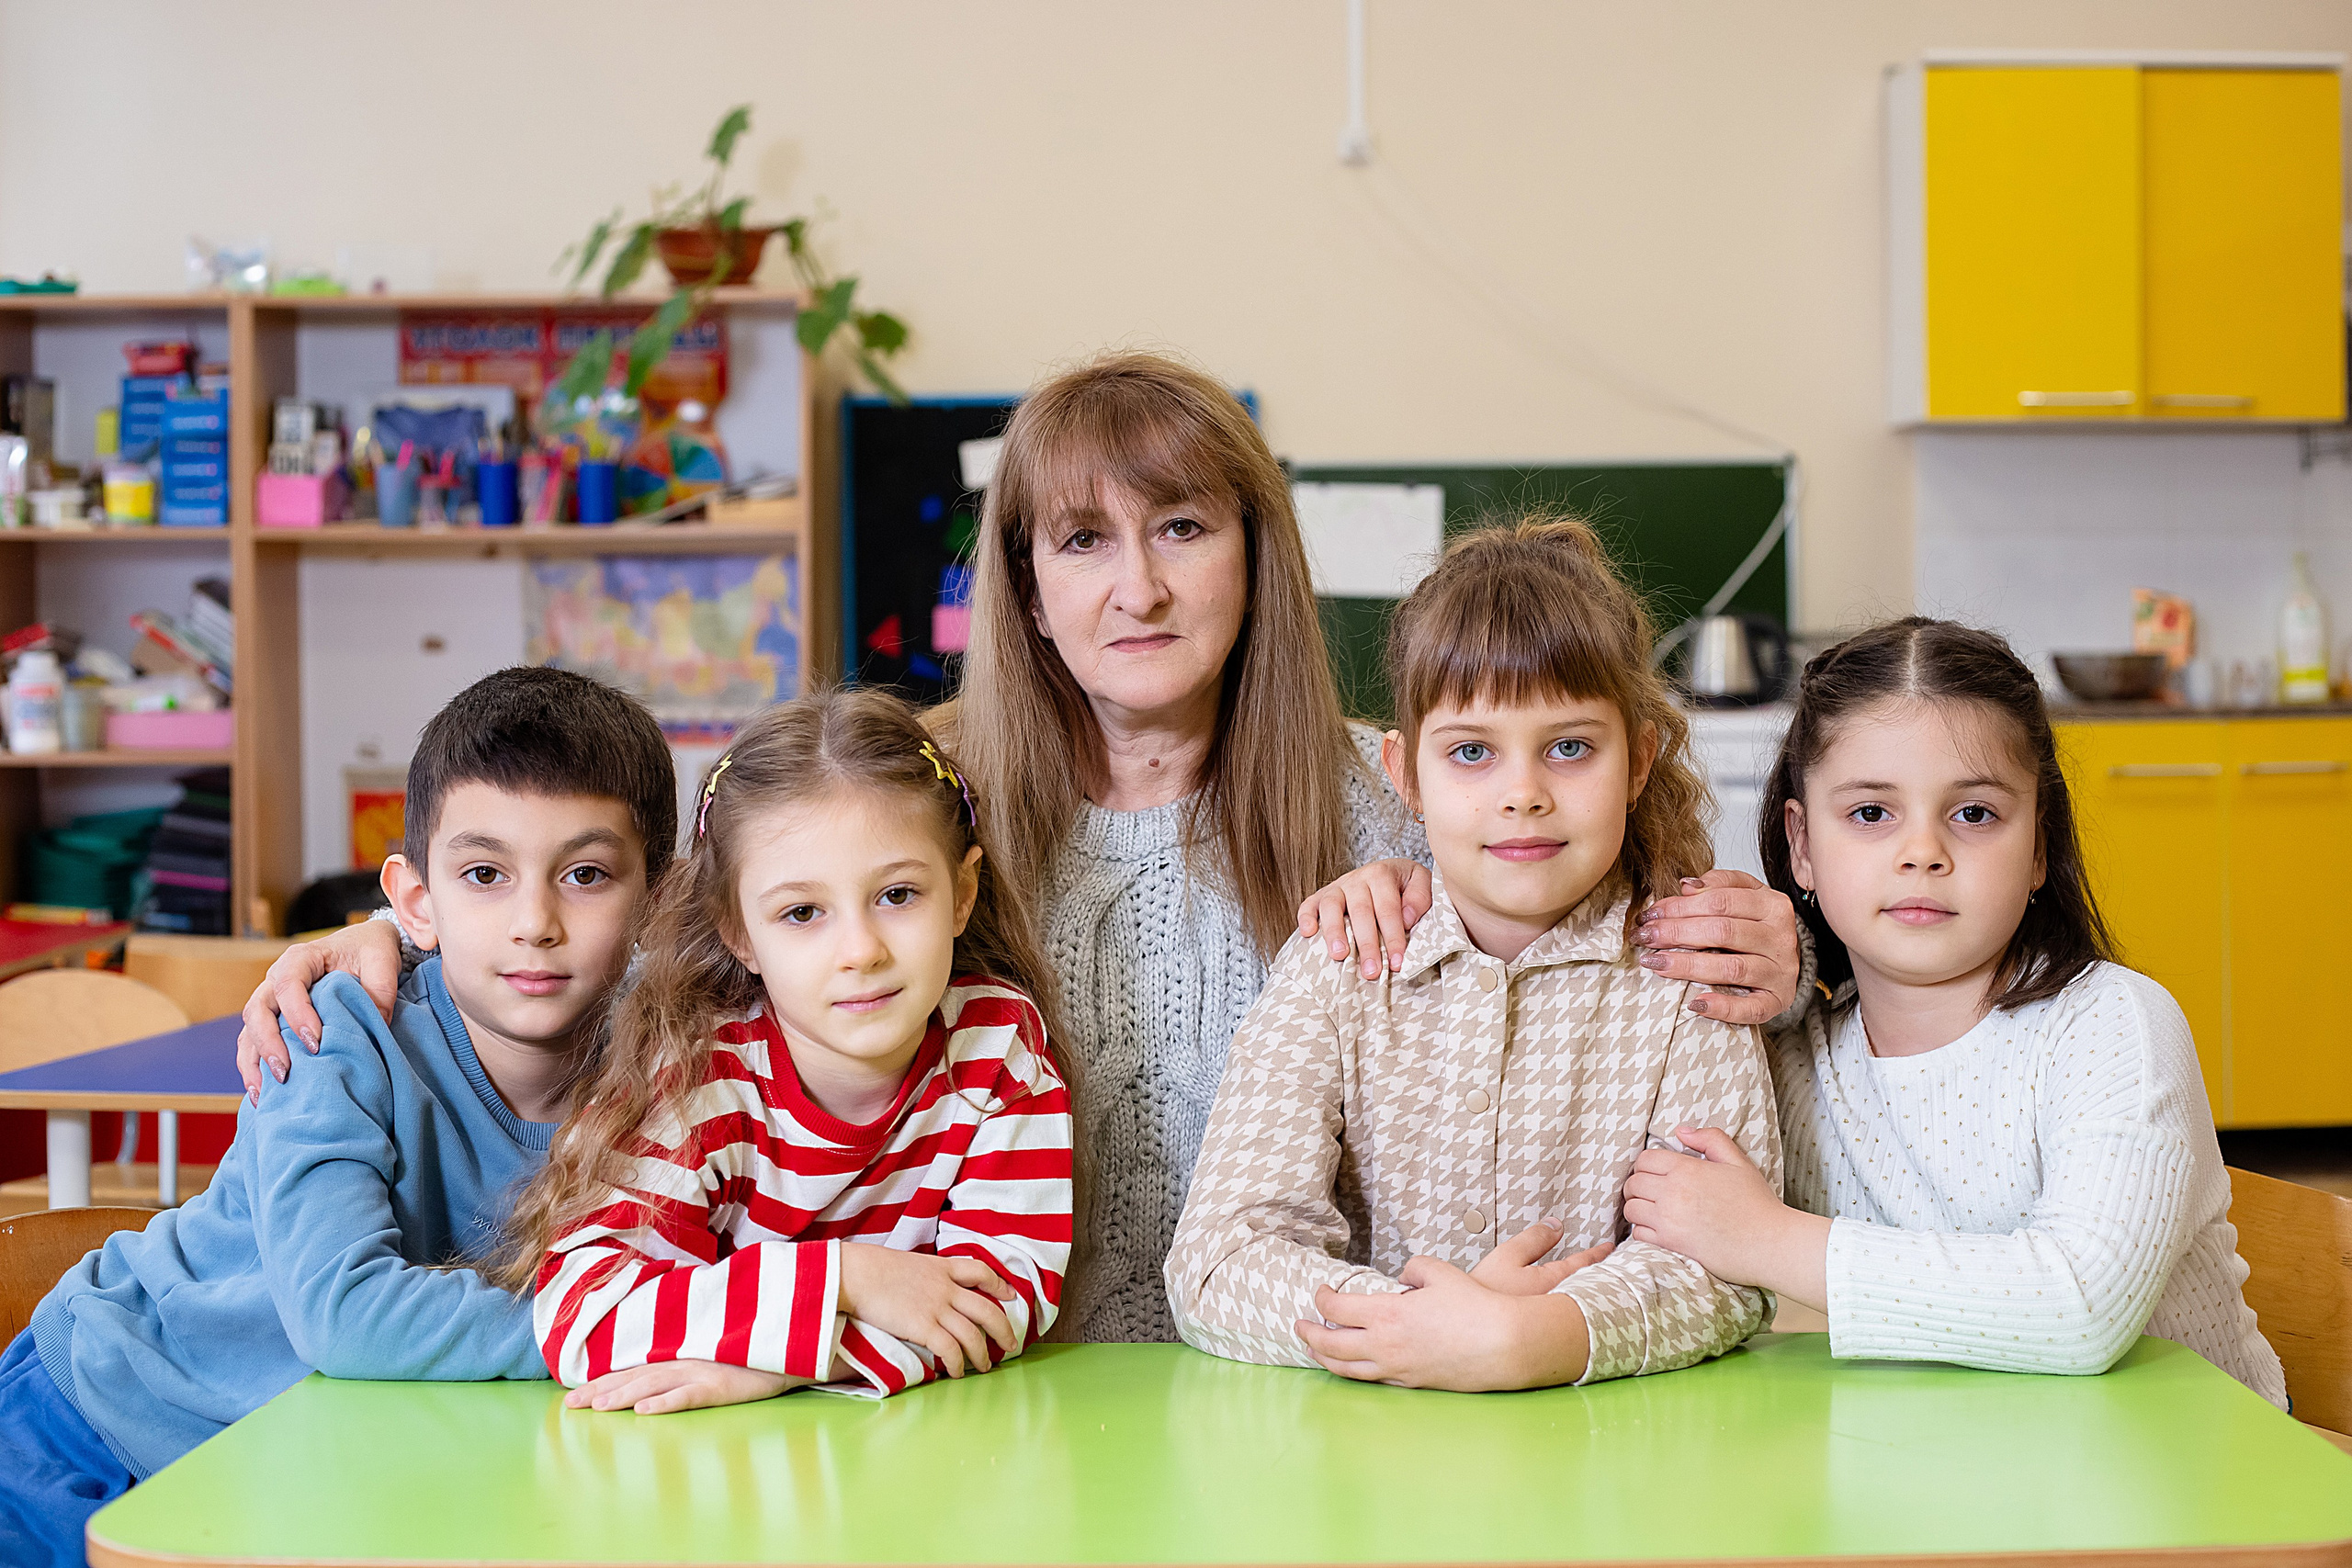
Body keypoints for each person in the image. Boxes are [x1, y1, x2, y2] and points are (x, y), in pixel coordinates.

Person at [235, 352, 1806, 1342]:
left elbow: (1608, 927)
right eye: (1083, 540)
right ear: (1027, 585)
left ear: (1257, 555)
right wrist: (384, 943)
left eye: (1185, 526)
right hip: (973, 1381)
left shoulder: (1399, 793)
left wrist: (1792, 957)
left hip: (1341, 1378)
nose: (1139, 585)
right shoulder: (915, 804)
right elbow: (658, 944)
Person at [0, 667, 673, 1568]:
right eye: (483, 874)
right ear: (416, 900)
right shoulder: (334, 1028)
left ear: (662, 897)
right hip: (94, 1425)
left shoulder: (671, 1054)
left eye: (586, 874)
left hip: (307, 1454)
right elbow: (346, 1312)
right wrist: (655, 1324)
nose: (534, 922)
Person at [1165, 517, 1780, 1390]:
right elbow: (1220, 1261)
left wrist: (1534, 1337)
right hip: (1372, 1476)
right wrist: (1422, 1329)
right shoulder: (1339, 963)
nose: (1522, 794)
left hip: (1614, 1477)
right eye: (1471, 753)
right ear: (1404, 772)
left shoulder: (1687, 971)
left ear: (1639, 760)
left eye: (1570, 748)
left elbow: (1725, 1268)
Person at [1617, 618, 2286, 1404]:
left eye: (1973, 813)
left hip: (2190, 1495)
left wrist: (1766, 1238)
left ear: (2039, 844)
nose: (1922, 851)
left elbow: (2080, 1307)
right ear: (1801, 843)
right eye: (1871, 813)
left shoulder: (2112, 1024)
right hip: (1952, 1482)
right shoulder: (1786, 1057)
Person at [505, 690, 1075, 1411]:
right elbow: (582, 1316)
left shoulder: (997, 1049)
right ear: (739, 932)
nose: (861, 951)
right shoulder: (701, 1077)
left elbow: (1000, 1299)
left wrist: (782, 1367)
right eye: (803, 912)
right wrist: (848, 1280)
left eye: (898, 894)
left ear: (961, 893)